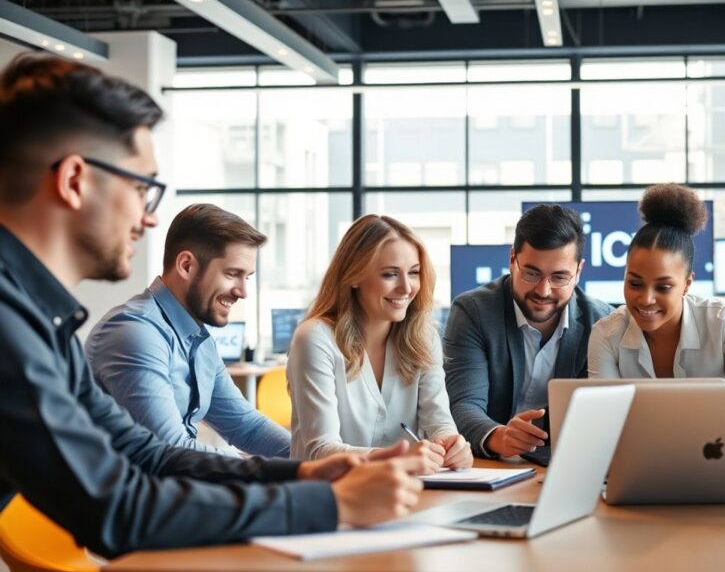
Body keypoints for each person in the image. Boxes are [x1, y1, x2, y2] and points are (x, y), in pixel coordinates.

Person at [0, 53, 426, 558]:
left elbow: (145, 453)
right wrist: (329, 504)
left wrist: (305, 471)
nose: (149, 218)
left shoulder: (41, 319)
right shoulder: (13, 322)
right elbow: (116, 506)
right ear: (75, 181)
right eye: (142, 189)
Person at [87, 204, 289, 458]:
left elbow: (246, 426)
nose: (243, 292)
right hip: (121, 493)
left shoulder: (200, 341)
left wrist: (317, 460)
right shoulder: (135, 333)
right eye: (232, 274)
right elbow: (171, 450)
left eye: (246, 277)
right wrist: (283, 470)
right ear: (186, 265)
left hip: (169, 487)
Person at [288, 214, 472, 472]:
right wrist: (400, 457)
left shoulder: (424, 337)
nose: (406, 288)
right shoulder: (315, 338)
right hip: (328, 499)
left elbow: (439, 422)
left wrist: (454, 446)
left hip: (403, 496)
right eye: (390, 275)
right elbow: (321, 451)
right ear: (354, 276)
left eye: (414, 273)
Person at [445, 204, 613, 463]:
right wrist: (497, 436)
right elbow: (464, 404)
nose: (543, 290)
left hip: (564, 463)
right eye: (532, 273)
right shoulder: (473, 311)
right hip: (489, 464)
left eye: (559, 277)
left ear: (578, 272)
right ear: (512, 260)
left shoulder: (601, 323)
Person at [588, 183, 725, 384]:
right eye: (635, 284)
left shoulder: (723, 322)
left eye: (663, 287)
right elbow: (604, 414)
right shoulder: (606, 335)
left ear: (687, 284)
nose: (646, 299)